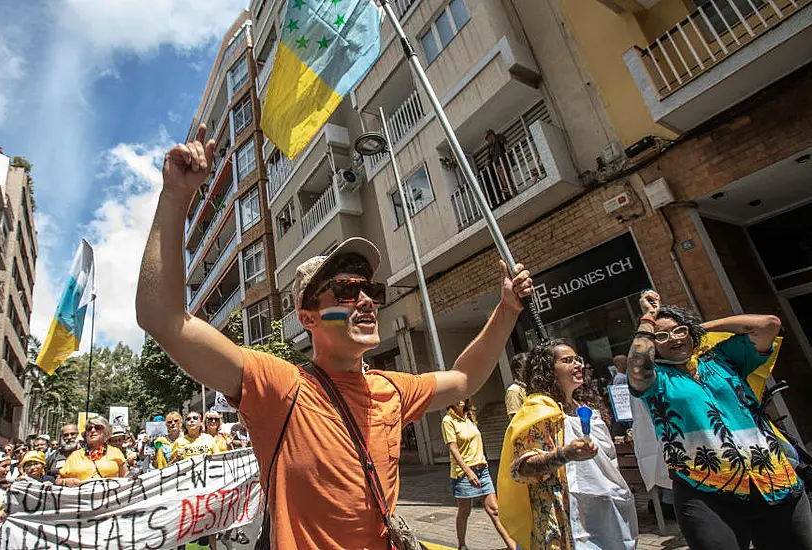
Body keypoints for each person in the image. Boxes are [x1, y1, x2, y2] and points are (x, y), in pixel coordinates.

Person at [135, 126, 533, 548]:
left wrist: (506, 310)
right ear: (308, 318)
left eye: (372, 291)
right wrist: (175, 197)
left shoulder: (392, 389)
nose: (366, 301)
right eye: (346, 290)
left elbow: (465, 379)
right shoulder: (279, 387)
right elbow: (163, 318)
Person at [629, 291, 811, 549]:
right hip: (705, 492)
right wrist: (648, 318)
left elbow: (769, 325)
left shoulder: (722, 358)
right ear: (654, 345)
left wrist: (699, 328)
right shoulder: (656, 380)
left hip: (774, 481)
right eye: (662, 336)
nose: (673, 339)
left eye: (679, 331)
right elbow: (636, 366)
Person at [499, 339, 639, 550]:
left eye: (578, 359)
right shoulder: (538, 412)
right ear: (549, 370)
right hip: (564, 520)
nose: (578, 365)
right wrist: (565, 454)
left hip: (607, 511)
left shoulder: (588, 408)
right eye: (567, 360)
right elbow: (522, 469)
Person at [443, 398, 516, 550]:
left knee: (495, 510)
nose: (460, 398)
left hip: (482, 470)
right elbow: (453, 449)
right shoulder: (448, 421)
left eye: (463, 395)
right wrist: (468, 472)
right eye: (455, 395)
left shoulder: (470, 417)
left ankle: (512, 547)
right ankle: (461, 545)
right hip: (463, 474)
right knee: (464, 511)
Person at [56, 416, 128, 486]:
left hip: (110, 495)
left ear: (106, 432)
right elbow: (58, 481)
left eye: (97, 427)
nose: (93, 430)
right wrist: (67, 481)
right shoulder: (75, 455)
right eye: (89, 428)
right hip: (82, 495)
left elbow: (126, 477)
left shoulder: (116, 452)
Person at [505, 352, 528, 420]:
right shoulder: (514, 391)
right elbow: (515, 420)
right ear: (517, 370)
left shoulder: (533, 387)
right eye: (527, 366)